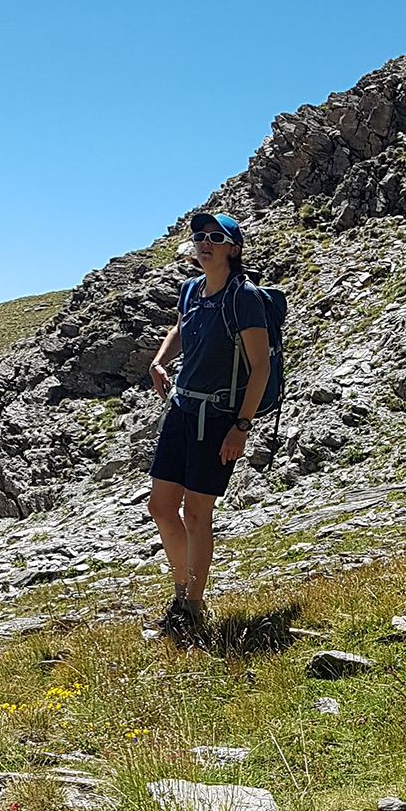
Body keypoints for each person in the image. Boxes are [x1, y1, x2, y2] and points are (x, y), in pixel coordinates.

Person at [144, 211, 277, 646]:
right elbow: (181, 326)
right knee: (162, 506)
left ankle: (191, 607)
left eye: (215, 238)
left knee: (197, 513)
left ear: (233, 249)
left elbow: (259, 368)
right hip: (182, 410)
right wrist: (160, 359)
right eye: (200, 236)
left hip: (218, 418)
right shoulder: (191, 290)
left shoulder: (245, 298)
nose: (204, 243)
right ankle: (182, 592)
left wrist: (241, 426)